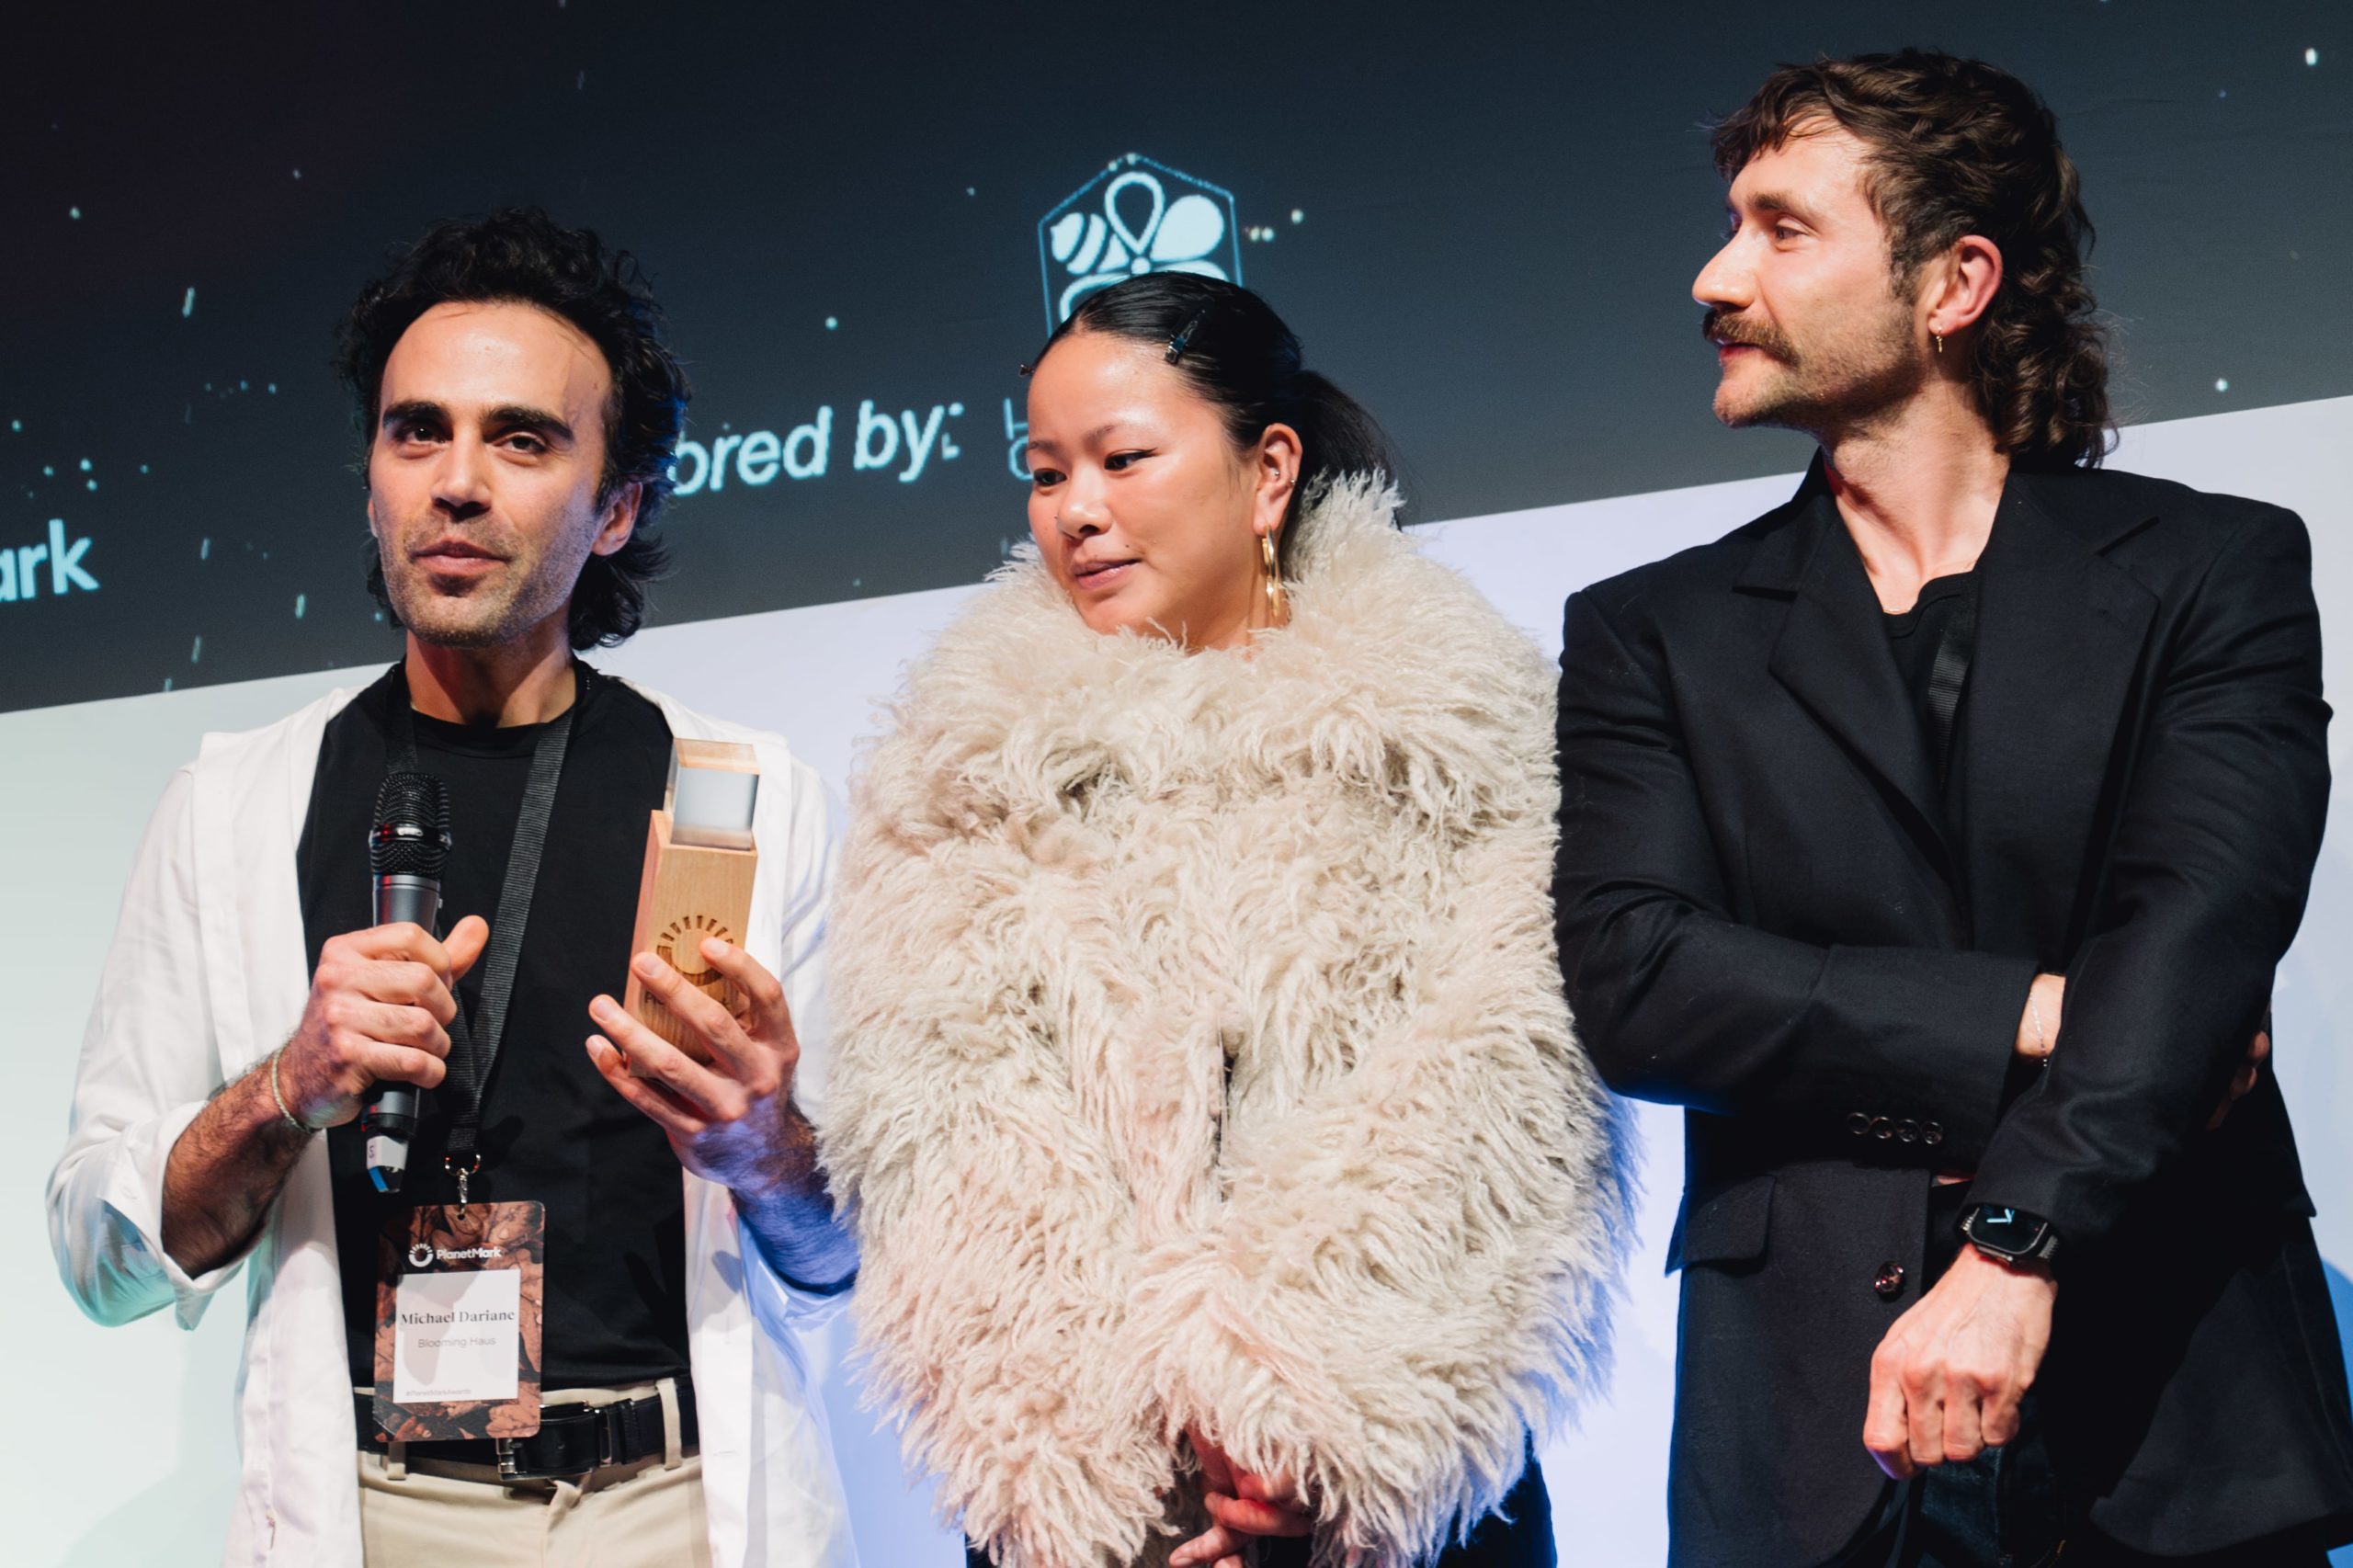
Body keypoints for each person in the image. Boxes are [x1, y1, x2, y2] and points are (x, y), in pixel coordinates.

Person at [1552, 49, 2353, 1567]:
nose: (1717, 275)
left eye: (1784, 228)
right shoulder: (1650, 630)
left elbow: (2198, 936)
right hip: (1807, 1436)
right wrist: (2038, 1014)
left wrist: (2013, 1246)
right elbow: (1642, 985)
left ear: (1955, 282)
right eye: (1733, 222)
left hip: (2176, 1405)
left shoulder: (2214, 569)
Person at [46, 209, 859, 1568]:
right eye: (416, 430)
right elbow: (99, 1252)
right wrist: (284, 1087)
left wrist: (767, 1150)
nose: (457, 481)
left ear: (617, 507)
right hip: (373, 1515)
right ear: (370, 478)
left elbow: (851, 1264)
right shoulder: (238, 804)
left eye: (522, 437)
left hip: (675, 1507)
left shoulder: (740, 793)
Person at [819, 272, 1630, 1568]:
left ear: (1269, 472)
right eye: (1043, 473)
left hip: (1386, 1501)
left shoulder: (1456, 737)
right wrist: (1098, 1472)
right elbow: (943, 1135)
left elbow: (1503, 1105)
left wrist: (1316, 1419)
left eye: (1123, 459)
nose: (1076, 510)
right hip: (1090, 1521)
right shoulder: (958, 771)